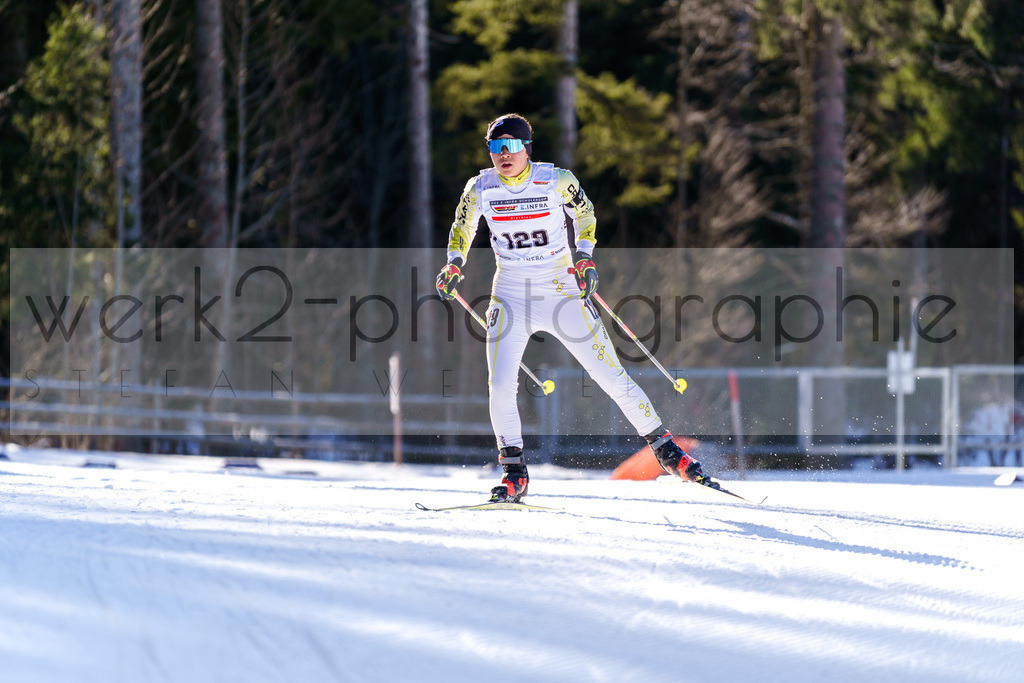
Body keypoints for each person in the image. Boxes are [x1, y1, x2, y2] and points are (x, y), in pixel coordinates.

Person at [436, 113, 711, 503]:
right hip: (511, 294)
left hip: (561, 291)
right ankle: (515, 473)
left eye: (511, 146)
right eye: (495, 148)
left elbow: (586, 214)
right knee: (499, 387)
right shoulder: (480, 187)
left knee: (611, 376)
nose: (503, 155)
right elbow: (462, 227)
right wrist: (454, 262)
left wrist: (584, 257)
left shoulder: (555, 179)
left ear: (527, 149)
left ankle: (667, 453)